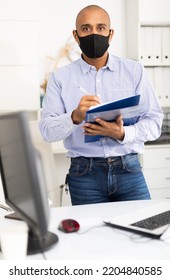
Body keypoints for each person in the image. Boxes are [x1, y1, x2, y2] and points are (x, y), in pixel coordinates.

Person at [39, 5, 163, 205]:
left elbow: (155, 122)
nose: (94, 34)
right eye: (86, 29)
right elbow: (46, 131)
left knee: (146, 229)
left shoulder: (134, 71)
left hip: (129, 169)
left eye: (101, 28)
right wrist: (74, 117)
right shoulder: (60, 78)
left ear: (110, 33)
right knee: (92, 235)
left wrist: (122, 134)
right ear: (76, 35)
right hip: (84, 175)